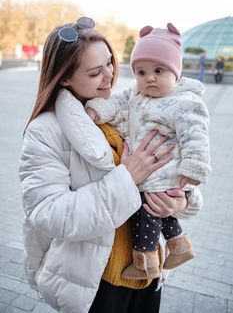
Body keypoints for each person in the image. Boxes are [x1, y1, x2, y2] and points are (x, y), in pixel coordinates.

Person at [19, 17, 203, 313]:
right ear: (64, 78)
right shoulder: (46, 130)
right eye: (95, 73)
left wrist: (181, 200)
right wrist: (127, 177)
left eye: (110, 63)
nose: (109, 76)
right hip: (97, 284)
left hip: (148, 275)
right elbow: (49, 214)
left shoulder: (128, 107)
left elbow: (172, 162)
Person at [86, 23, 210, 280]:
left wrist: (194, 167)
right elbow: (117, 103)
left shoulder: (184, 102)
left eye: (159, 70)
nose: (149, 78)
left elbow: (195, 136)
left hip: (168, 172)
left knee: (147, 212)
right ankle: (179, 246)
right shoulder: (135, 94)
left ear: (176, 73)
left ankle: (146, 262)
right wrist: (98, 110)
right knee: (154, 209)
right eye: (141, 72)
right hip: (152, 175)